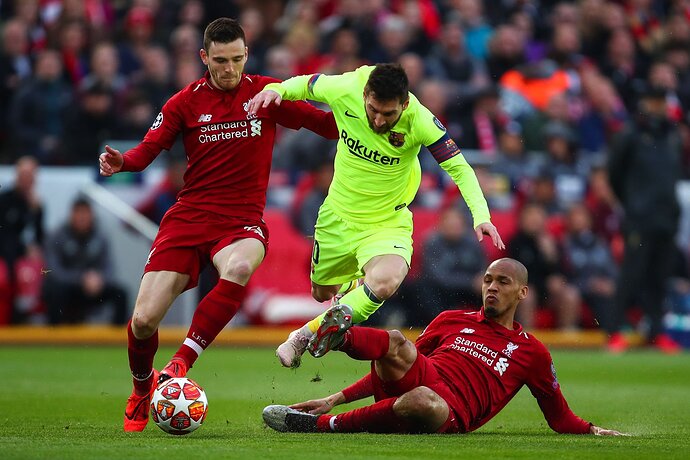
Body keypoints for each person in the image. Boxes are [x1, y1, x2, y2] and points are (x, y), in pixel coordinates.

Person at [98, 17, 338, 432]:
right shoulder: (184, 102)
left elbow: (323, 123)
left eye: (238, 59)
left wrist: (369, 121)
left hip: (241, 220)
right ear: (204, 57)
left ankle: (182, 361)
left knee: (240, 267)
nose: (230, 69)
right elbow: (149, 148)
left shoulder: (267, 93)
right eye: (221, 61)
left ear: (247, 55)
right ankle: (141, 389)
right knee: (142, 321)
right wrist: (124, 162)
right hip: (189, 217)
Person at [249, 63, 504, 369]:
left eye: (389, 114)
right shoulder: (345, 87)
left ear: (404, 104)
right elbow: (304, 84)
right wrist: (275, 90)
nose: (379, 120)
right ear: (365, 94)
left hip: (387, 223)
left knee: (386, 281)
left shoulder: (420, 120)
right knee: (321, 293)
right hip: (337, 218)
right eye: (373, 110)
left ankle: (302, 337)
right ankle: (352, 291)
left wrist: (480, 214)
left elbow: (460, 167)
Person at [262, 258, 625, 437]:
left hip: (449, 411)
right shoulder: (453, 318)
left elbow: (559, 416)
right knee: (395, 342)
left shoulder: (533, 352)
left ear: (522, 293)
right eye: (487, 280)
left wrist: (591, 430)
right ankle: (338, 337)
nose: (491, 288)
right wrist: (335, 396)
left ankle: (321, 426)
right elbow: (396, 363)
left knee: (421, 399)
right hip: (424, 377)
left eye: (502, 282)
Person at [606, 86, 683, 353]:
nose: (658, 106)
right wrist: (632, 203)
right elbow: (614, 174)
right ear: (644, 102)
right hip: (640, 218)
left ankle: (657, 333)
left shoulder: (671, 134)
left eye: (661, 100)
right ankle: (614, 331)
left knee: (660, 277)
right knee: (632, 275)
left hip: (666, 217)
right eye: (654, 100)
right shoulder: (630, 134)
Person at [42, 197, 128, 325]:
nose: (82, 217)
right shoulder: (57, 235)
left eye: (85, 213)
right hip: (68, 287)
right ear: (71, 214)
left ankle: (119, 339)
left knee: (121, 293)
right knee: (54, 291)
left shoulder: (100, 236)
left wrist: (99, 279)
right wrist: (81, 279)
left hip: (93, 287)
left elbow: (109, 267)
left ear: (91, 215)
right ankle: (54, 336)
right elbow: (52, 270)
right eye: (78, 213)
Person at [0, 156, 44, 324]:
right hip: (7, 254)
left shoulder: (36, 205)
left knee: (44, 272)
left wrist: (35, 212)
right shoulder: (4, 200)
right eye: (23, 174)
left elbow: (38, 237)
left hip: (26, 258)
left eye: (30, 175)